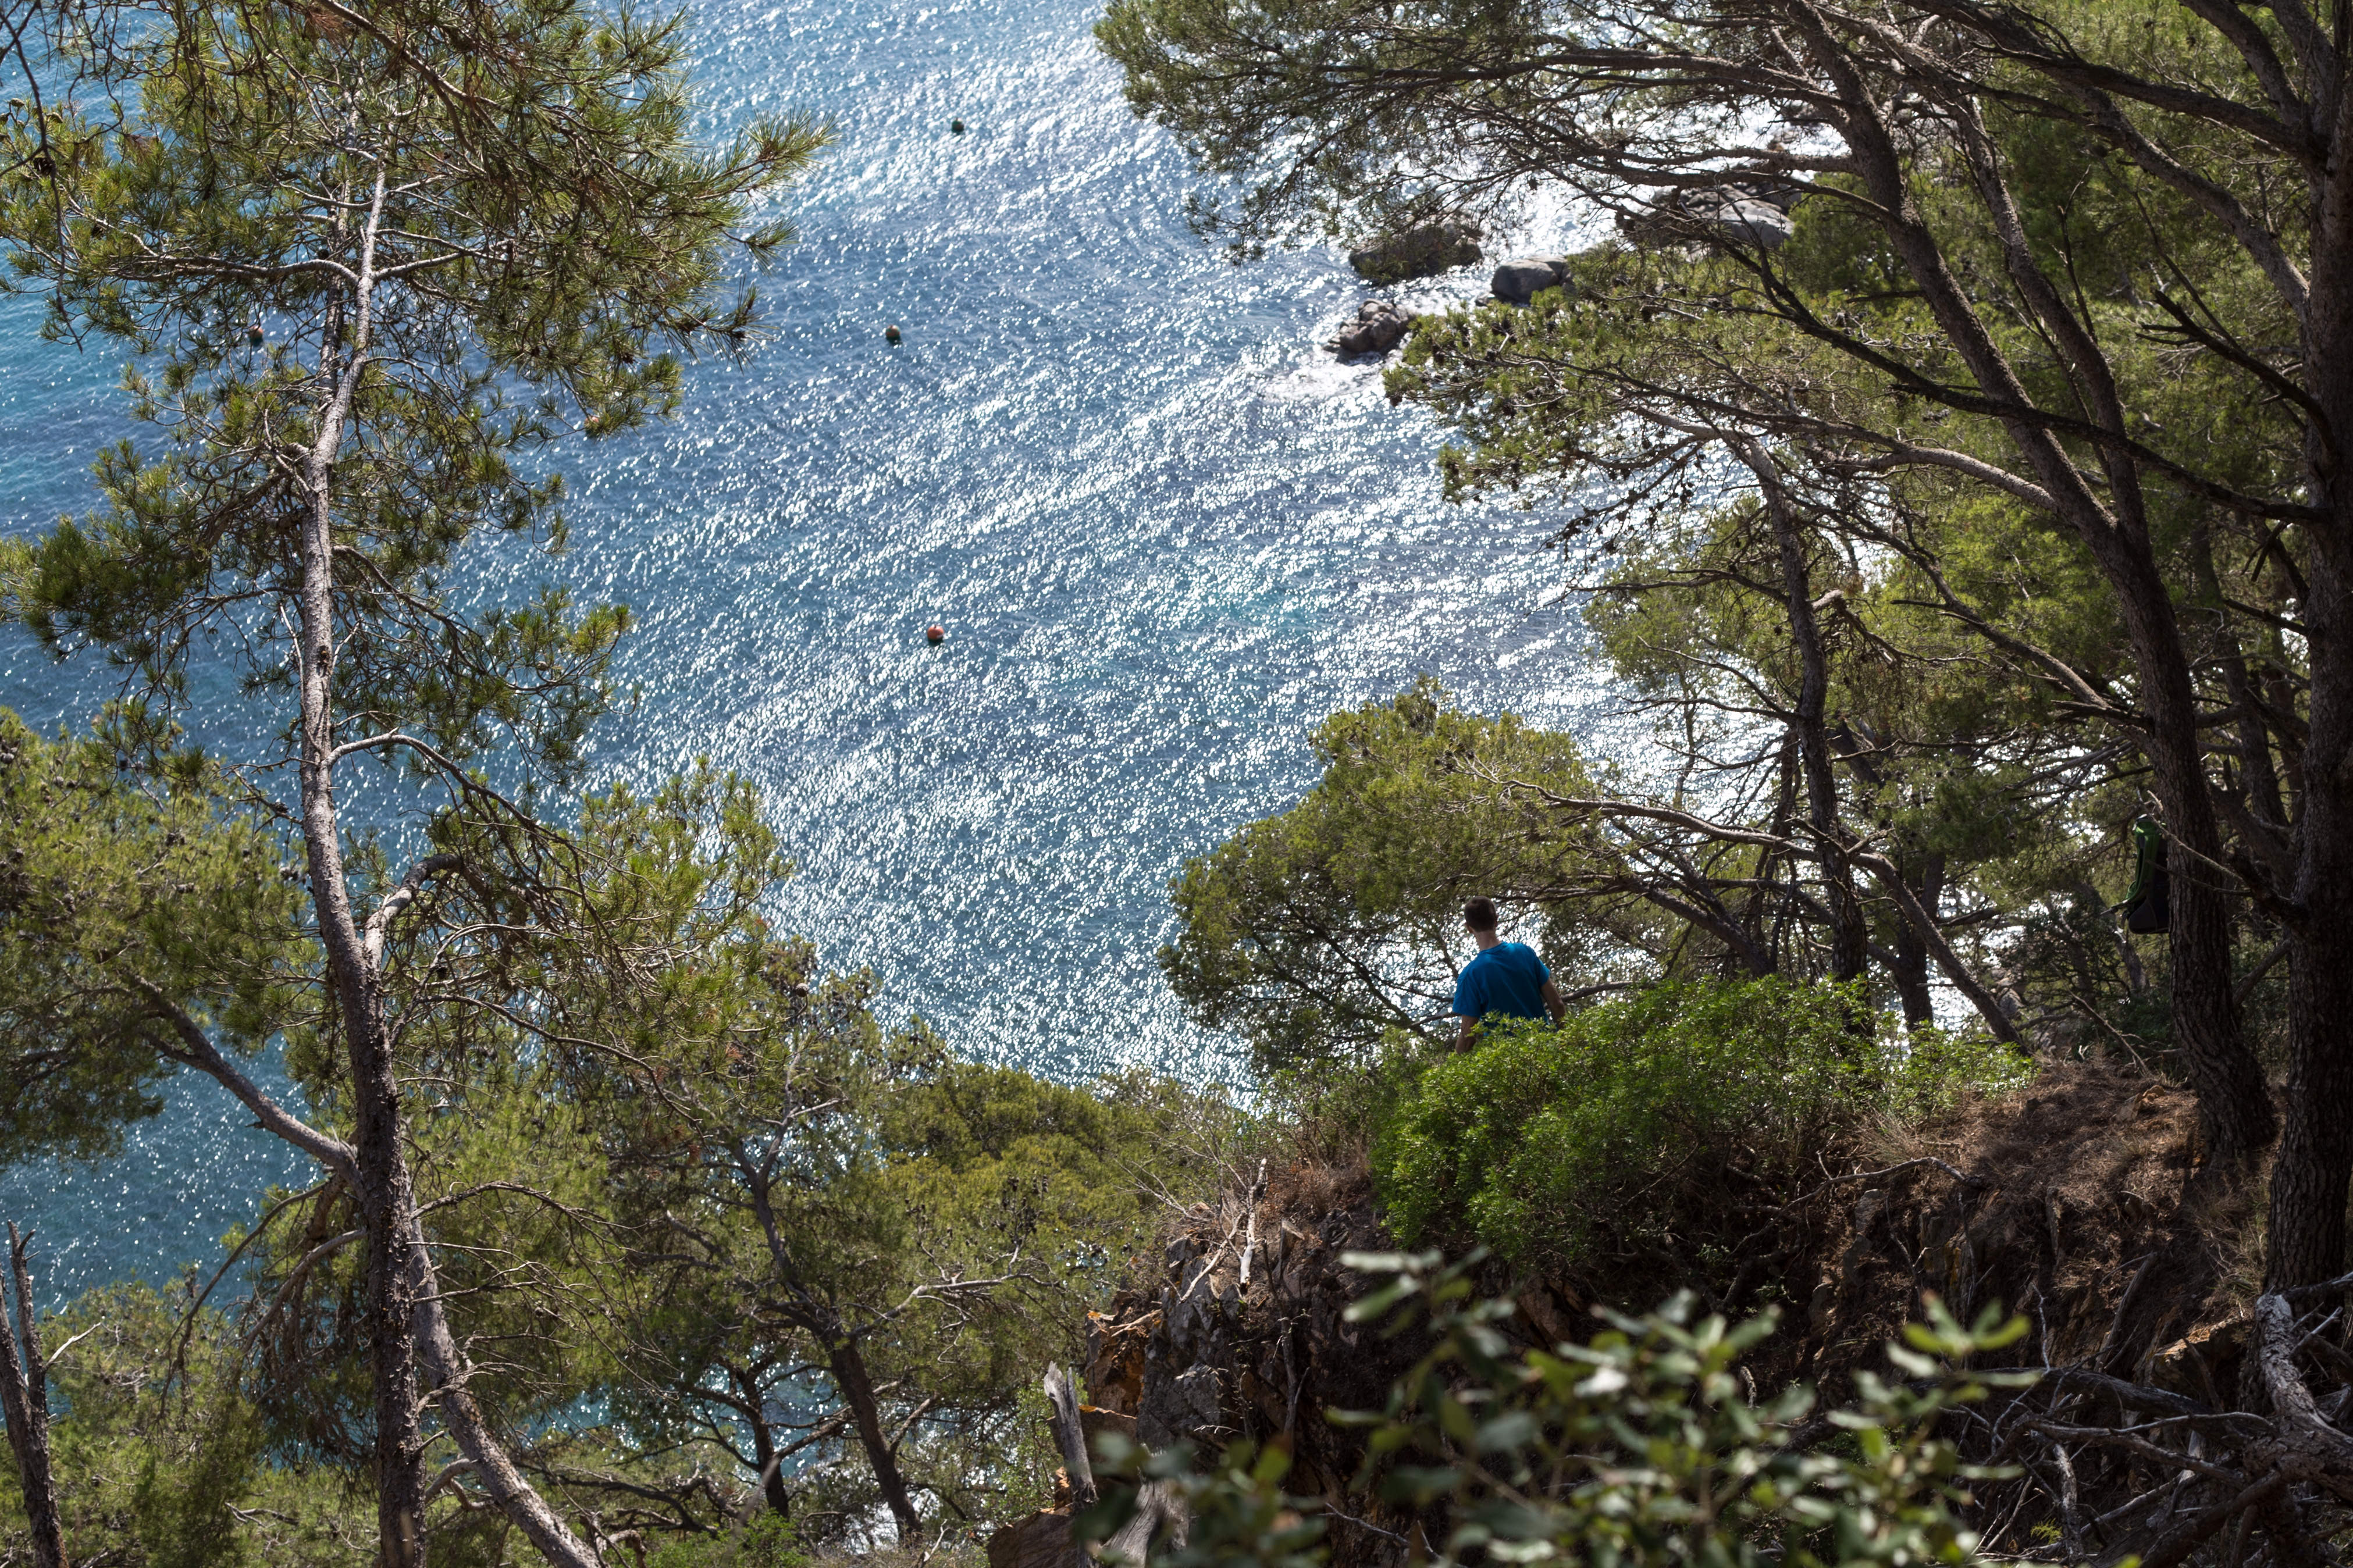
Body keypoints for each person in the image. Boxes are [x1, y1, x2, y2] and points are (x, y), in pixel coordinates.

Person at [1452, 896, 1565, 1049]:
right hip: (1544, 1049)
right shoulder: (1525, 953)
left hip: (1509, 1060)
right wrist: (1565, 1043)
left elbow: (1467, 1038)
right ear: (1496, 920)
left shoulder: (1470, 975)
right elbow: (1557, 1005)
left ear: (1469, 928)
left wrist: (1455, 1061)